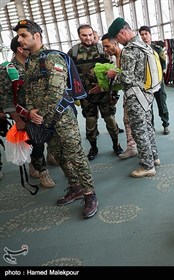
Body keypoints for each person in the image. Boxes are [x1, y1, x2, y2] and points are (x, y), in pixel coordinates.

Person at [14, 19, 98, 219]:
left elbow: (55, 92)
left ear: (36, 36)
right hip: (43, 120)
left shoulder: (52, 58)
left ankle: (89, 194)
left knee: (76, 155)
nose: (20, 40)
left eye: (24, 35)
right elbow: (29, 92)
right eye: (19, 36)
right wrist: (29, 112)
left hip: (61, 117)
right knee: (58, 155)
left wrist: (37, 113)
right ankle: (75, 187)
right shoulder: (31, 61)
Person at [106, 18, 160, 177]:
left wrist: (113, 75)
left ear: (122, 33)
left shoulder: (129, 50)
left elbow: (127, 78)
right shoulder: (144, 45)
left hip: (136, 97)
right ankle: (154, 157)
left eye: (117, 39)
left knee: (139, 130)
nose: (118, 42)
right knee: (148, 126)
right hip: (147, 94)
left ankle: (147, 166)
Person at [0, 35, 55, 188]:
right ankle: (42, 171)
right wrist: (18, 120)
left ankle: (50, 156)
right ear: (20, 49)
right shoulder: (8, 70)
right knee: (36, 143)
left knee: (51, 135)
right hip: (25, 114)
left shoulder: (35, 64)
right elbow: (6, 98)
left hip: (43, 110)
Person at [68, 24, 123, 161]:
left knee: (110, 120)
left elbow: (113, 71)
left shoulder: (102, 49)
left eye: (90, 34)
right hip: (86, 96)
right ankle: (93, 148)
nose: (88, 38)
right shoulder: (73, 52)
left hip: (104, 93)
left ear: (93, 34)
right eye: (84, 35)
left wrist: (114, 94)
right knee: (90, 122)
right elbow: (70, 74)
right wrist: (75, 94)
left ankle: (116, 145)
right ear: (79, 36)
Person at [101, 33, 138, 159]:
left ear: (115, 43)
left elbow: (129, 77)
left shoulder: (125, 56)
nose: (105, 49)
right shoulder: (113, 59)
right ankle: (132, 147)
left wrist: (114, 75)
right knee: (127, 121)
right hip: (127, 93)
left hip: (136, 94)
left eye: (107, 46)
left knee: (137, 122)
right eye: (104, 47)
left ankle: (143, 151)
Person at [139, 25, 170, 135]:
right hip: (146, 84)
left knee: (162, 104)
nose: (144, 36)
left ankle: (165, 124)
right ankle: (150, 126)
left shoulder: (157, 49)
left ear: (150, 35)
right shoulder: (139, 51)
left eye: (146, 34)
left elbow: (163, 65)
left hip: (158, 82)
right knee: (148, 107)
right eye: (141, 35)